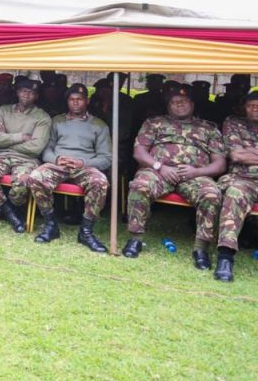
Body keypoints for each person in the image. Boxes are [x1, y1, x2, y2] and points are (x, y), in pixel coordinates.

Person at [122, 83, 227, 269]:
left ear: (192, 104)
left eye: (184, 101)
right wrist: (159, 166)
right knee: (139, 186)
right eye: (174, 102)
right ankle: (135, 239)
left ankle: (201, 249)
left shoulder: (208, 128)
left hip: (195, 175)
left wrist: (197, 172)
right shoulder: (154, 123)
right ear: (168, 105)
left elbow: (220, 164)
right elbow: (139, 152)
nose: (179, 104)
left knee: (212, 195)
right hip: (158, 171)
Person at [20, 83, 110, 251]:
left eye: (79, 99)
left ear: (87, 101)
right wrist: (57, 159)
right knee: (36, 177)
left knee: (100, 182)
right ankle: (51, 225)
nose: (75, 103)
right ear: (67, 101)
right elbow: (46, 150)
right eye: (71, 99)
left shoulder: (99, 125)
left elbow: (106, 158)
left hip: (84, 166)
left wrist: (83, 163)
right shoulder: (57, 121)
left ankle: (86, 231)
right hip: (58, 165)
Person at [0, 78, 51, 233]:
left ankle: (10, 208)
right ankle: (8, 211)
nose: (27, 95)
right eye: (24, 91)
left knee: (22, 182)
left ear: (36, 96)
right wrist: (20, 137)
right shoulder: (3, 111)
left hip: (27, 159)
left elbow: (36, 148)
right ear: (18, 92)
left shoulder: (42, 117)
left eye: (31, 92)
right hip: (2, 156)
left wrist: (6, 139)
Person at [212, 91, 258, 282]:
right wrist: (243, 153)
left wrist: (249, 151)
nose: (254, 109)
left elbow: (242, 153)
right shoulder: (233, 122)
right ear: (244, 108)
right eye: (250, 106)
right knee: (234, 193)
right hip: (242, 179)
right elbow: (236, 155)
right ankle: (226, 256)